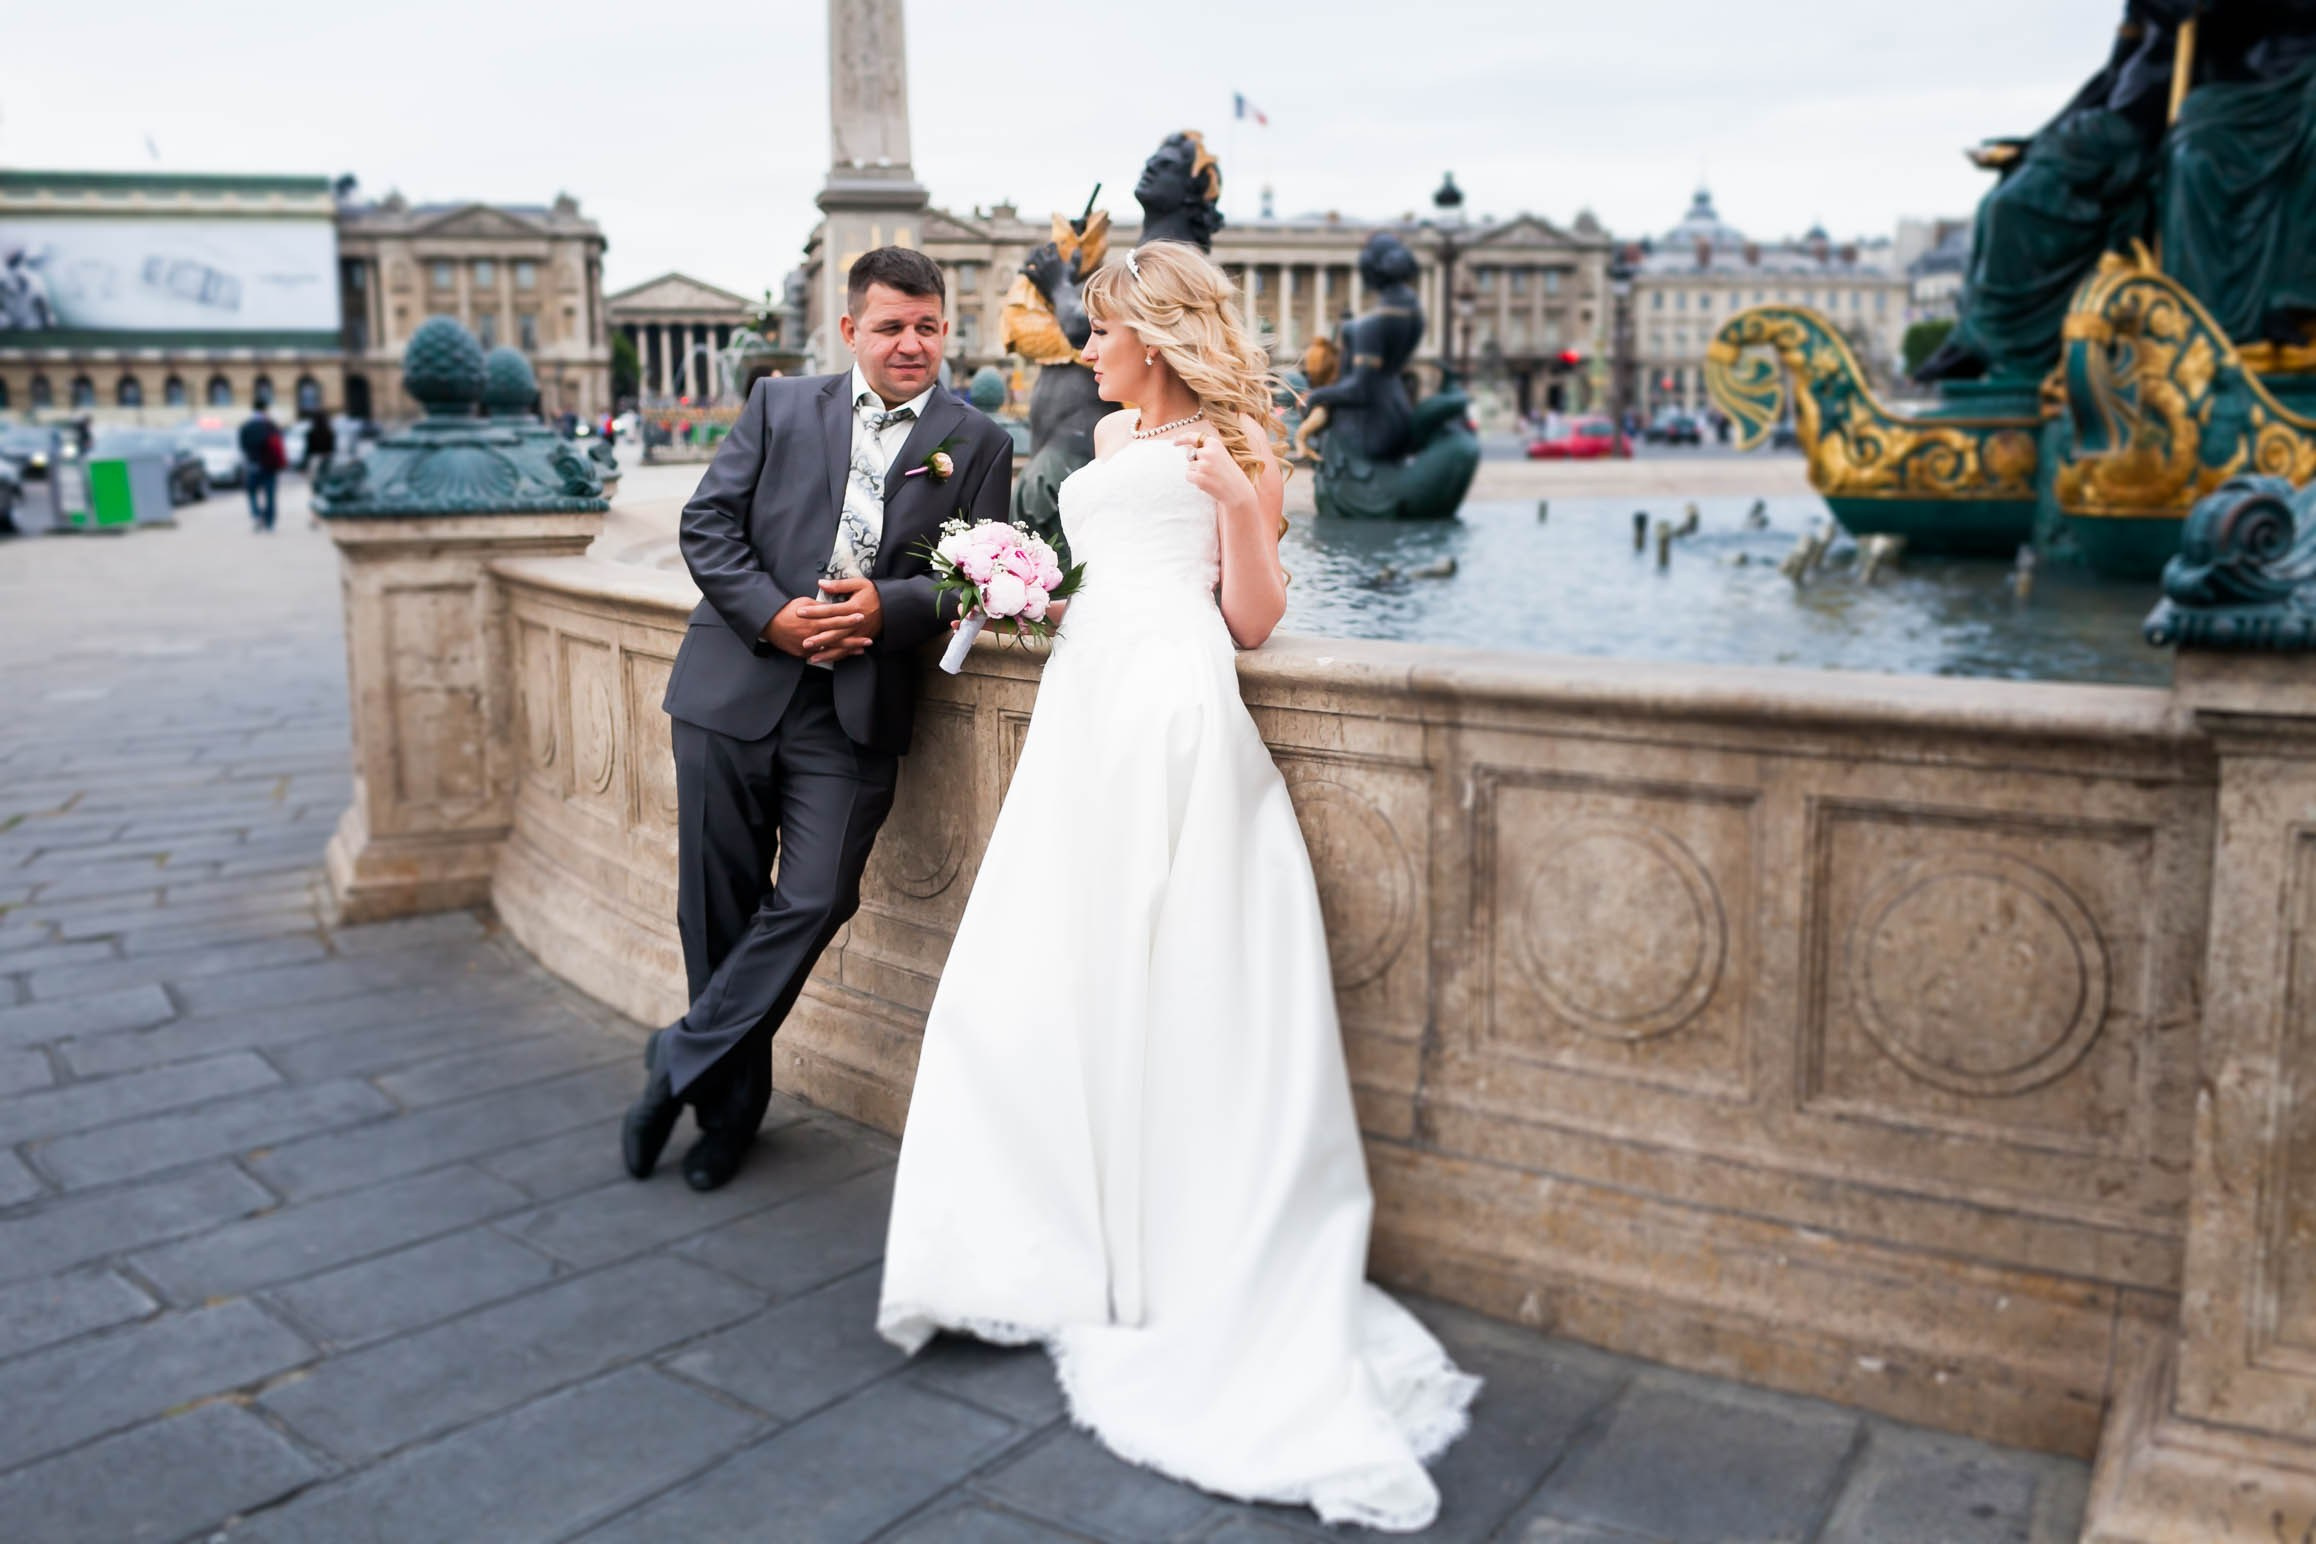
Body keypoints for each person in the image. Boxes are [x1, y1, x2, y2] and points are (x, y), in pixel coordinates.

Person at [877, 240, 1480, 1532]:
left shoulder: (1240, 441)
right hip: (1088, 696)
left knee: (1179, 968)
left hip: (1171, 703)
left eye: (1100, 332)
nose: (1081, 349)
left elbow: (1253, 618)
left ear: (1154, 335)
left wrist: (1238, 501)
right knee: (1048, 967)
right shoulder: (1098, 446)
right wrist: (1020, 586)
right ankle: (1042, 1227)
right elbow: (1102, 576)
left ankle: (1174, 1247)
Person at [621, 247, 1015, 1193]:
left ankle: (676, 1055)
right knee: (715, 916)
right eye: (890, 326)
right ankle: (726, 1118)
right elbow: (707, 525)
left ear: (945, 328)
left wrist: (890, 608)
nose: (911, 343)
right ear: (850, 331)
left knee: (814, 899)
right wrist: (773, 615)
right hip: (733, 688)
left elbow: (978, 579)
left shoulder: (982, 440)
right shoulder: (778, 406)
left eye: (927, 325)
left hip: (856, 710)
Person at [238, 406, 284, 531]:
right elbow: (279, 443)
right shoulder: (270, 426)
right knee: (270, 494)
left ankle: (257, 515)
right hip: (269, 465)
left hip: (253, 463)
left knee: (252, 492)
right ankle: (269, 522)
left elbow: (242, 445)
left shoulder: (246, 426)